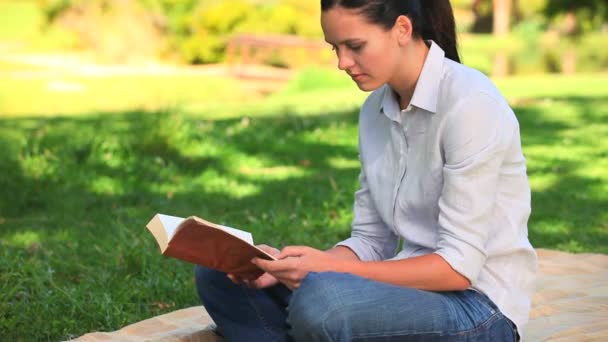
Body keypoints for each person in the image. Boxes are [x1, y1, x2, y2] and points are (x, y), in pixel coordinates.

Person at [195, 0, 536, 341]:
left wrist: (328, 271)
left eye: (355, 46)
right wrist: (288, 268)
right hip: (405, 293)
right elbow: (371, 241)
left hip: (478, 308)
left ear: (402, 29)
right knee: (219, 274)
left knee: (324, 304)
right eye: (335, 48)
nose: (343, 63)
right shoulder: (375, 110)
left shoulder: (471, 103)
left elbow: (458, 269)